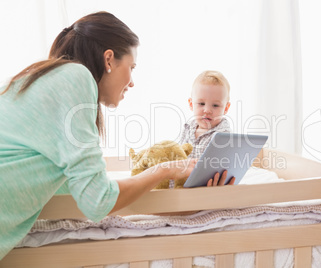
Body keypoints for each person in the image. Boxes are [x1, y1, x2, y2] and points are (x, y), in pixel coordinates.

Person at [0, 11, 232, 260]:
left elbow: (82, 195)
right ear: (109, 59)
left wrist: (193, 199)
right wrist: (165, 170)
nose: (132, 82)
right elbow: (99, 201)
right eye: (131, 67)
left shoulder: (43, 79)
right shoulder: (75, 77)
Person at [179, 70, 232, 159]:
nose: (207, 110)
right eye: (201, 104)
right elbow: (179, 153)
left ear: (226, 108)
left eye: (215, 105)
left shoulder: (224, 135)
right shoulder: (188, 128)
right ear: (191, 104)